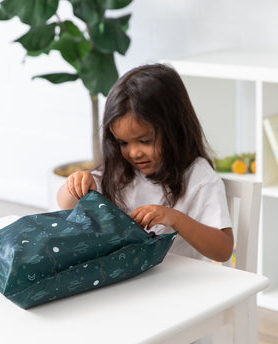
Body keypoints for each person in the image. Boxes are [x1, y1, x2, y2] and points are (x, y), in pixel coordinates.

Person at [57, 63, 233, 262]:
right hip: (129, 278)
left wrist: (175, 219)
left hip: (179, 285)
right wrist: (75, 184)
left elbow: (224, 249)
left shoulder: (199, 177)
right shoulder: (120, 169)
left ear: (174, 128)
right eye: (123, 143)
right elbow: (65, 205)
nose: (134, 153)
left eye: (145, 141)